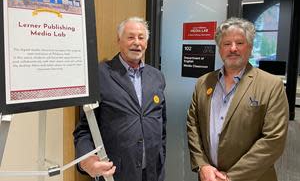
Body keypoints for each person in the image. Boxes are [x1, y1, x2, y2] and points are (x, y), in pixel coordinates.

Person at [186, 17, 289, 181]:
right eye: (227, 44)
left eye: (239, 43)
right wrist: (202, 165)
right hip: (209, 177)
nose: (233, 48)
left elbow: (273, 140)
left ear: (250, 47)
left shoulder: (271, 85)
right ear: (220, 49)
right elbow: (193, 125)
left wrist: (230, 178)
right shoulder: (203, 83)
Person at [73, 17, 167, 181]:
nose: (136, 43)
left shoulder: (157, 77)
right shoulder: (100, 75)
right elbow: (84, 129)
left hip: (153, 173)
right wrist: (86, 161)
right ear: (119, 40)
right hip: (116, 173)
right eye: (130, 37)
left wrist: (161, 155)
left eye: (141, 37)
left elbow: (162, 123)